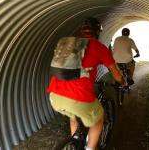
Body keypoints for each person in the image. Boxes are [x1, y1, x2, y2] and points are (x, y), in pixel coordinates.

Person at [47, 17, 125, 150]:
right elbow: (116, 74)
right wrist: (122, 82)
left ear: (81, 31)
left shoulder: (70, 45)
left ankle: (75, 142)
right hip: (78, 98)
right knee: (98, 119)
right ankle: (89, 148)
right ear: (98, 32)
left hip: (55, 95)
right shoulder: (99, 47)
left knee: (74, 116)